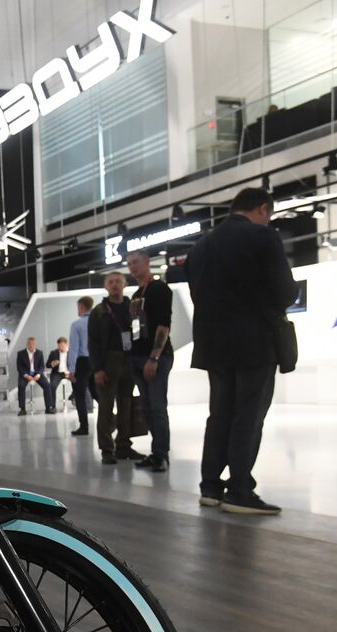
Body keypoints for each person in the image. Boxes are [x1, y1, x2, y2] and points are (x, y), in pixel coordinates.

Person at [187, 187, 295, 514]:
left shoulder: (201, 247)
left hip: (213, 344)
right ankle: (239, 489)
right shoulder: (263, 237)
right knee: (248, 415)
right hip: (255, 343)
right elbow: (285, 292)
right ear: (262, 209)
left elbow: (197, 294)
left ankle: (210, 486)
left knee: (220, 414)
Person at [126, 250, 175, 472]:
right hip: (137, 357)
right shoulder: (137, 294)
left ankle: (161, 454)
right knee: (147, 408)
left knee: (157, 407)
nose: (132, 266)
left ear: (147, 262)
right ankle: (157, 453)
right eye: (129, 263)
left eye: (136, 262)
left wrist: (154, 357)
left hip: (155, 358)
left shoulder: (159, 289)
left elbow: (164, 325)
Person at [87, 273, 142, 464]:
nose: (114, 285)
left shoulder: (133, 308)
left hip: (129, 359)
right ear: (105, 286)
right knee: (106, 406)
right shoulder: (99, 311)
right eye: (110, 282)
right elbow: (93, 343)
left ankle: (124, 445)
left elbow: (140, 333)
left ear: (125, 284)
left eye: (118, 281)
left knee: (126, 404)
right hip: (108, 361)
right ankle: (106, 449)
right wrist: (97, 369)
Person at [66, 297, 96, 435]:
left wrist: (71, 370)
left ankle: (84, 427)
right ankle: (112, 421)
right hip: (96, 361)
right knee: (97, 394)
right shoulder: (97, 323)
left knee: (80, 396)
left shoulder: (76, 325)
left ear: (82, 307)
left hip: (82, 363)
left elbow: (74, 349)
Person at [16, 337, 50, 415]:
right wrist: (26, 376)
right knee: (21, 386)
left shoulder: (39, 353)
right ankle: (22, 409)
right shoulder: (20, 353)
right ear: (27, 344)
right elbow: (19, 367)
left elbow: (42, 366)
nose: (31, 345)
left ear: (35, 344)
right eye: (29, 344)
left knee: (47, 385)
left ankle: (48, 408)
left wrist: (38, 374)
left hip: (36, 374)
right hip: (25, 374)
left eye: (33, 344)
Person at [46, 337, 68, 415]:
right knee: (52, 386)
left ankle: (74, 397)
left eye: (63, 345)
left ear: (66, 344)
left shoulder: (71, 352)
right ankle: (53, 407)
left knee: (78, 383)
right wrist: (52, 363)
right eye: (59, 346)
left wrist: (70, 372)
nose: (61, 347)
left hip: (68, 372)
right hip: (57, 373)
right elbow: (47, 365)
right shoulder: (53, 353)